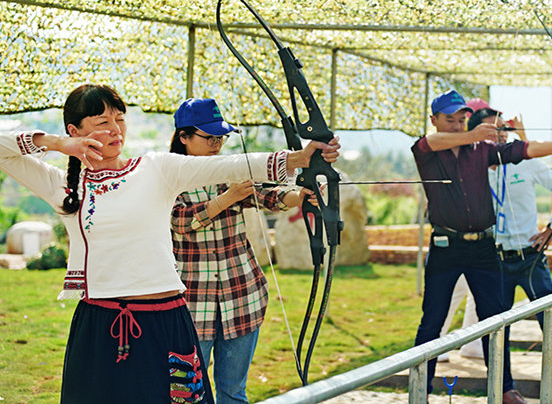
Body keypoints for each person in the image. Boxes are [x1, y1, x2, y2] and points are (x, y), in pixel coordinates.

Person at [0, 84, 339, 403]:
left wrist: (299, 158)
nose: (116, 129)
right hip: (99, 328)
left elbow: (231, 164)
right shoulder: (62, 185)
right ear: (75, 131)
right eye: (102, 121)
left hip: (166, 322)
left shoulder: (154, 167)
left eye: (120, 119)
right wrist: (58, 144)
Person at [412, 89, 552, 404]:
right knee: (432, 320)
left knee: (494, 320)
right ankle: (421, 391)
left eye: (461, 119)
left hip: (483, 250)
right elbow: (430, 141)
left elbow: (526, 149)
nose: (456, 125)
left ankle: (504, 388)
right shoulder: (429, 149)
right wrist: (471, 136)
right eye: (449, 120)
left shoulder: (482, 151)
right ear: (434, 120)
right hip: (445, 247)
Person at [169, 98, 316, 404]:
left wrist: (301, 196)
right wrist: (227, 198)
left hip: (242, 298)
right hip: (192, 304)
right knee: (187, 395)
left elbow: (268, 195)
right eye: (209, 138)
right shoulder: (168, 175)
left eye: (221, 138)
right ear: (183, 136)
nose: (216, 145)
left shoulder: (230, 169)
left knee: (233, 392)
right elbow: (180, 221)